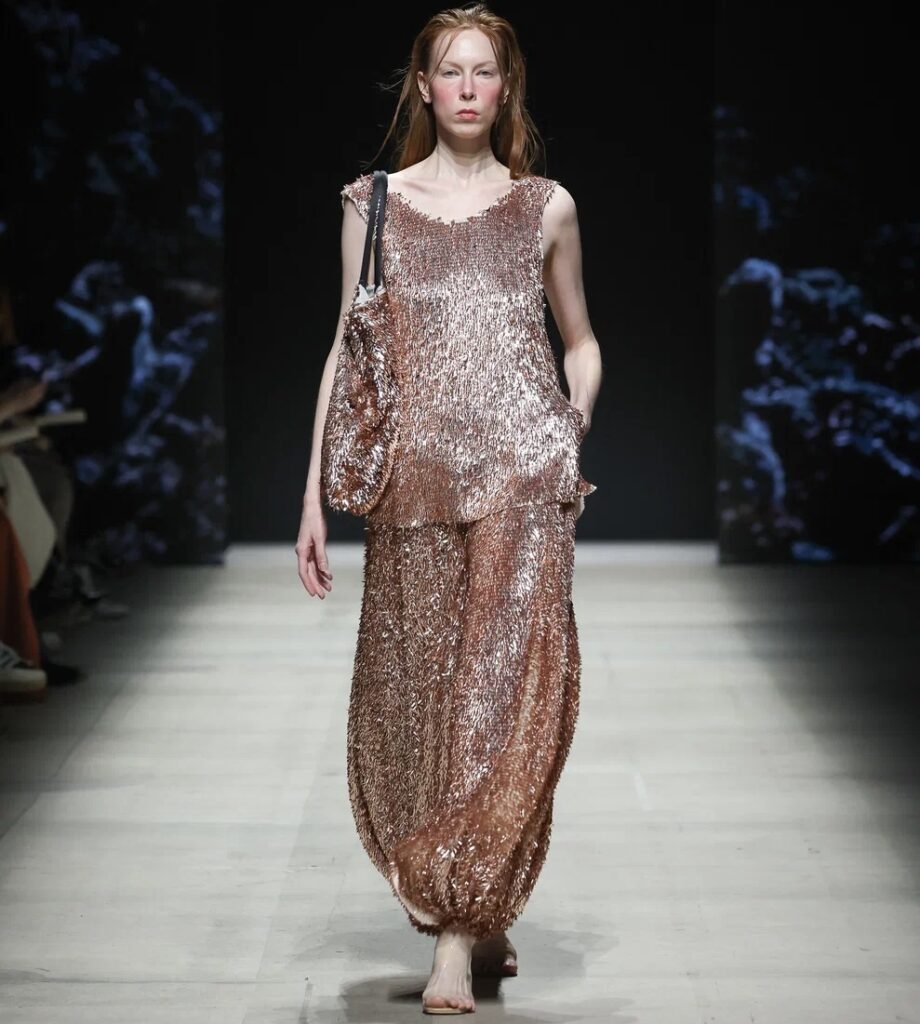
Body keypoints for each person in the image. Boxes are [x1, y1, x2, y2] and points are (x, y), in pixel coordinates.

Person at [296, 5, 602, 1014]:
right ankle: (477, 897)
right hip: (412, 488)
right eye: (450, 72)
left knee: (502, 699)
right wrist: (309, 498)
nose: (468, 88)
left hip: (522, 482)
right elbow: (345, 351)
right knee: (421, 703)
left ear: (504, 89)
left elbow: (580, 341)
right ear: (422, 88)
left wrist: (568, 429)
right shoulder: (373, 204)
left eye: (484, 72)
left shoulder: (544, 206)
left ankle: (454, 940)